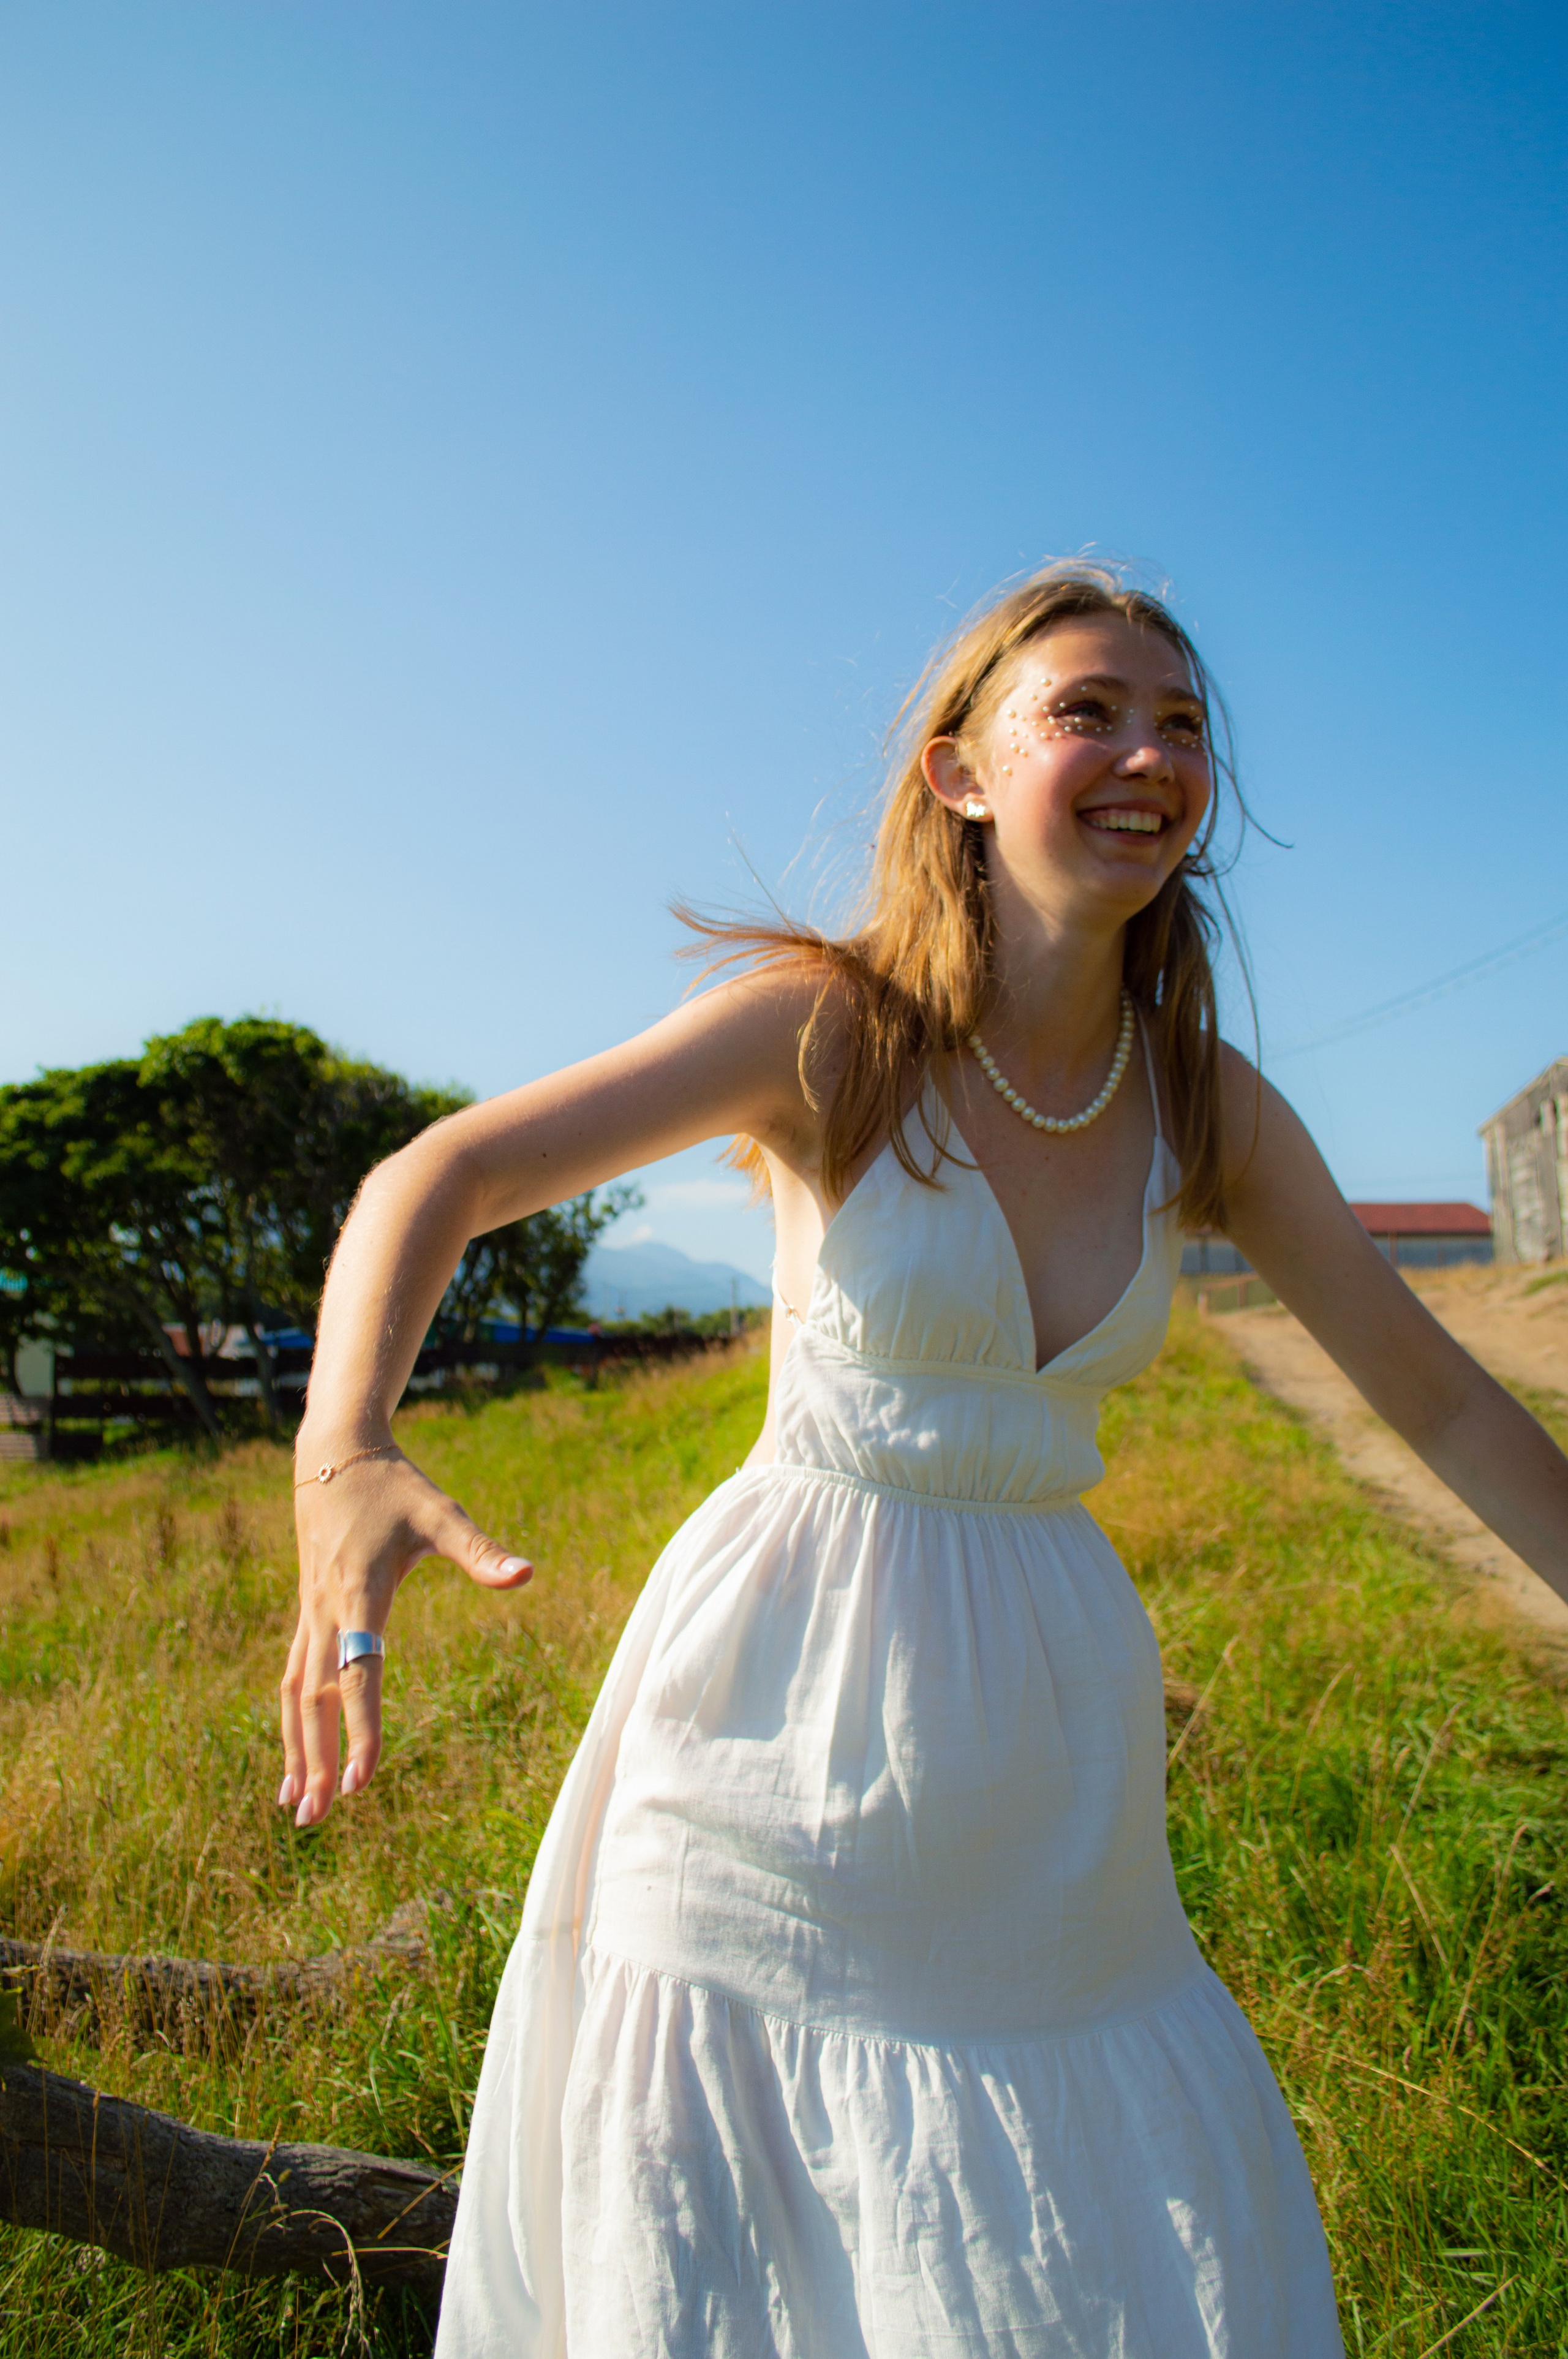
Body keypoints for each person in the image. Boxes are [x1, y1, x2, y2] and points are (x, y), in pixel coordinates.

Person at [279, 564, 1568, 2357]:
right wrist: (342, 1449)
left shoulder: (1203, 1100)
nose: (1149, 754)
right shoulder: (833, 1028)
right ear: (961, 772)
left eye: (1182, 723)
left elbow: (1440, 1401)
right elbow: (448, 1172)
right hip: (772, 1724)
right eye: (1088, 712)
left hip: (1050, 1769)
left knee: (1069, 2255)